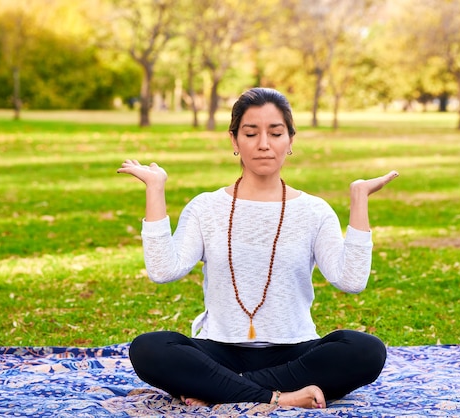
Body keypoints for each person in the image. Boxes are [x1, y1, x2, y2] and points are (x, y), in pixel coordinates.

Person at [117, 87, 398, 409]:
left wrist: (359, 199)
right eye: (251, 133)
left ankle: (218, 390)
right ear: (235, 141)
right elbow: (163, 271)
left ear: (290, 140)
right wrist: (155, 189)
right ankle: (281, 398)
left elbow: (351, 281)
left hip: (294, 351)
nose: (264, 144)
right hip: (219, 350)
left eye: (275, 133)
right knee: (149, 348)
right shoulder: (206, 207)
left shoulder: (314, 211)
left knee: (366, 350)